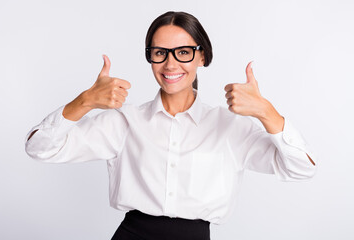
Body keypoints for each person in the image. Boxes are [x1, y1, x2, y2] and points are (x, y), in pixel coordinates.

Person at [25, 11, 317, 240]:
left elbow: (301, 169)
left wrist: (267, 113)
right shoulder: (124, 121)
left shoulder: (230, 127)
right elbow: (39, 149)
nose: (170, 63)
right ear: (150, 57)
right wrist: (85, 101)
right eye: (160, 52)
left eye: (183, 51)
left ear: (202, 56)